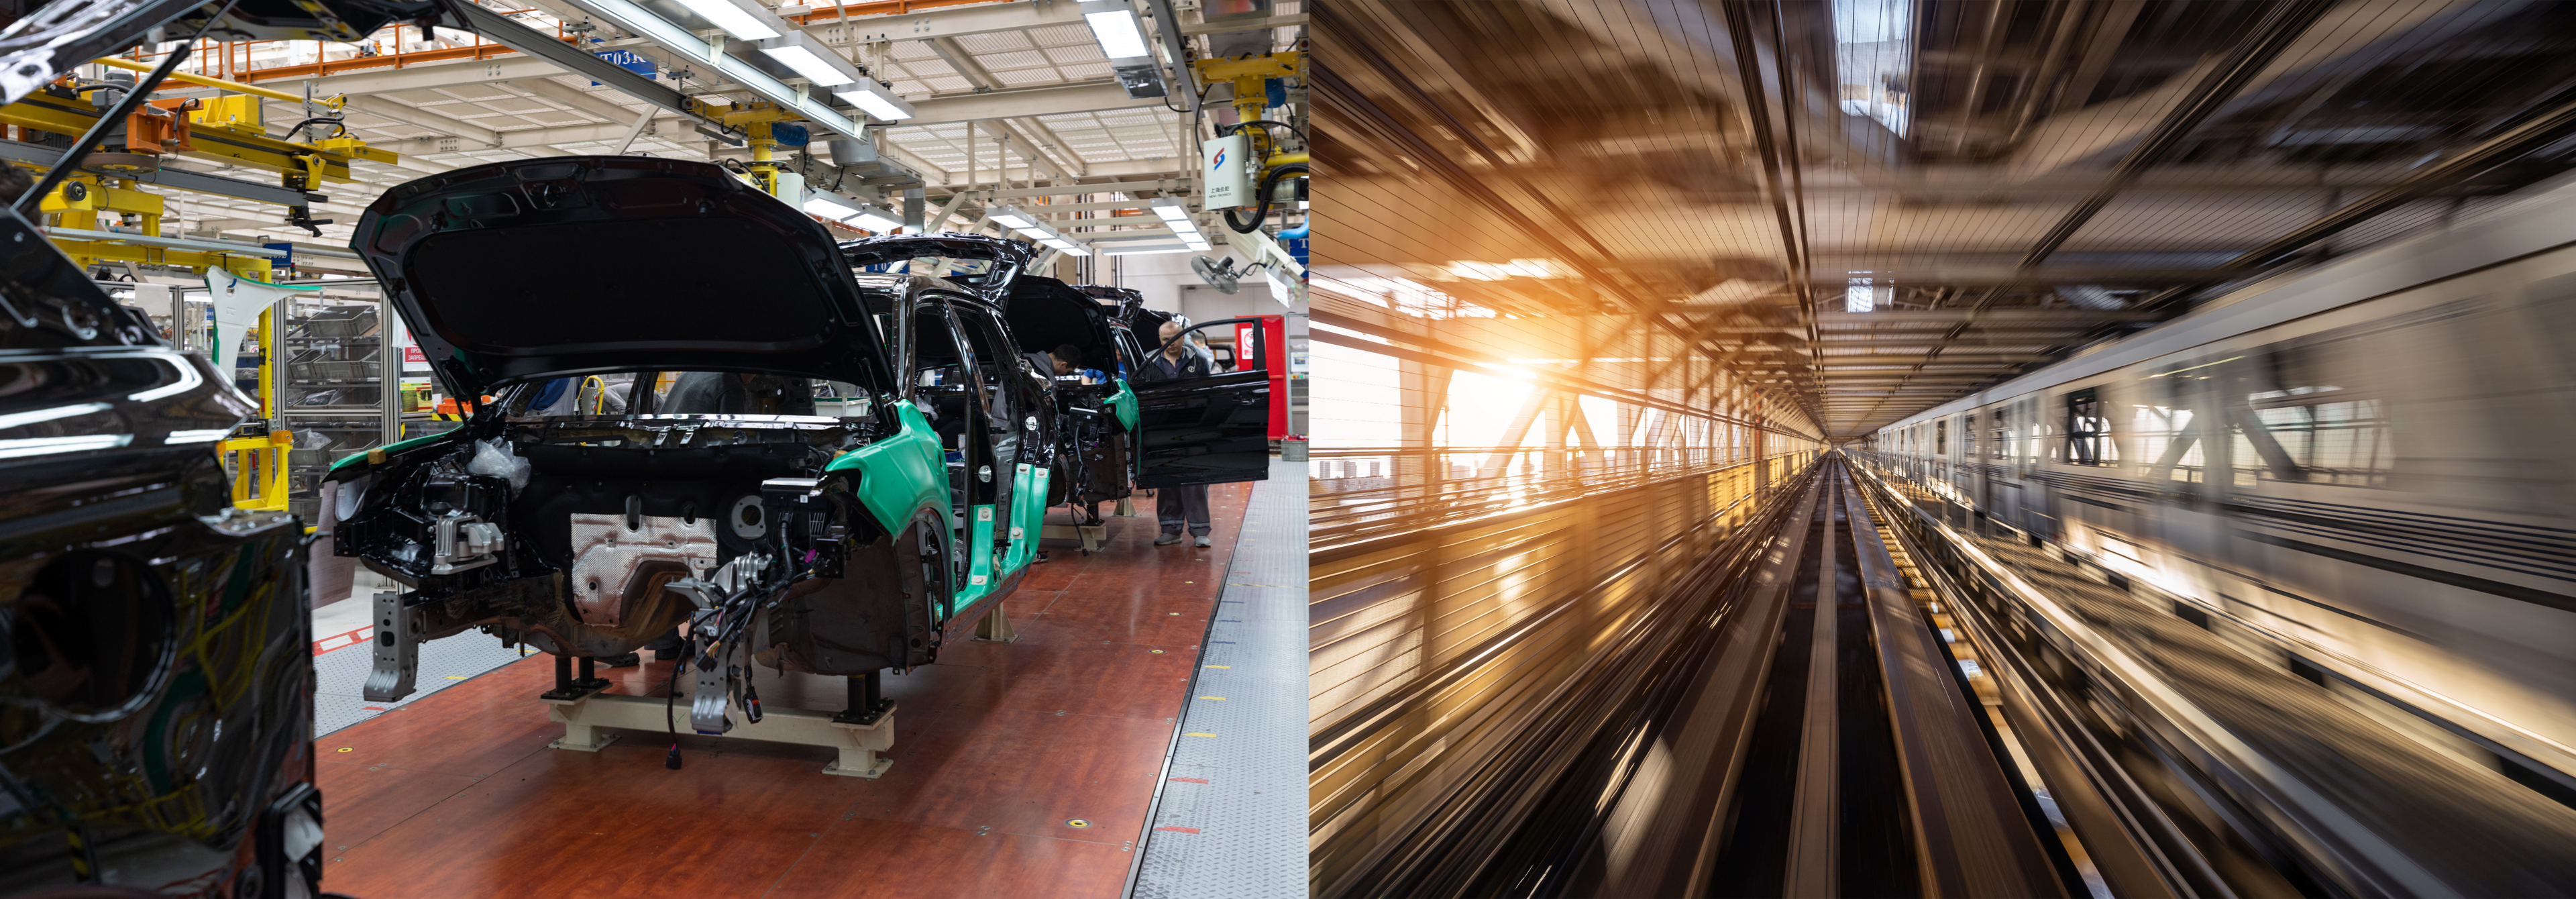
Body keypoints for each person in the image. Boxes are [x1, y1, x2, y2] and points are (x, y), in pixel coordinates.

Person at [1136, 319, 1212, 547]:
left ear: (1183, 336)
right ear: (1159, 340)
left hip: (1192, 428)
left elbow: (1209, 393)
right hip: (1162, 431)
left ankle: (1200, 531)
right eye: (1165, 340)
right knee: (1167, 480)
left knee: (1194, 480)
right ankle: (1171, 530)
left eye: (1175, 338)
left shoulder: (1198, 360)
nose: (1170, 343)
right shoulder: (1149, 362)